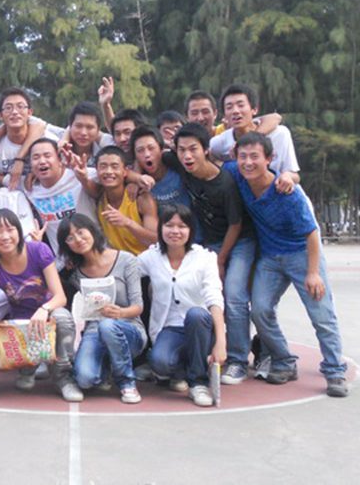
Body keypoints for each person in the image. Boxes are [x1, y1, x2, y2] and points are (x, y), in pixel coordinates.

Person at [226, 132, 349, 397]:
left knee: (321, 315)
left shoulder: (287, 192)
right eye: (243, 156)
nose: (248, 162)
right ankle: (283, 359)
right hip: (270, 258)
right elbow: (206, 165)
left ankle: (335, 370)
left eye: (255, 156)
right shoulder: (237, 175)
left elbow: (312, 233)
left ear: (269, 159)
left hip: (302, 255)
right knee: (260, 310)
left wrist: (313, 272)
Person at [172, 123, 256, 385]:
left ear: (206, 150)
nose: (187, 155)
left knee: (233, 294)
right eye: (182, 150)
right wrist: (137, 179)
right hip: (208, 242)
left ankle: (238, 360)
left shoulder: (225, 182)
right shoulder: (180, 166)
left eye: (193, 149)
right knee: (200, 294)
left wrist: (219, 260)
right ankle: (205, 349)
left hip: (239, 240)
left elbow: (236, 224)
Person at [0, 209, 83, 402]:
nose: (5, 236)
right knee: (25, 380)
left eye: (10, 229)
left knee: (62, 317)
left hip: (48, 314)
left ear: (19, 231)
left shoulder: (38, 250)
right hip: (20, 326)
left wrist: (44, 309)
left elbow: (60, 297)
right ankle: (28, 369)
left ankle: (63, 378)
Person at [142, 204, 227, 407]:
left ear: (191, 230)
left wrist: (221, 342)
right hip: (169, 328)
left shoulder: (205, 258)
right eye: (169, 225)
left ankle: (198, 383)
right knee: (160, 363)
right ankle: (180, 372)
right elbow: (125, 268)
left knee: (196, 314)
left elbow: (214, 297)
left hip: (200, 327)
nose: (175, 231)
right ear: (161, 228)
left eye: (182, 226)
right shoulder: (151, 257)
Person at [58, 214, 146, 404]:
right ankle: (106, 368)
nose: (78, 240)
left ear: (92, 230)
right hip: (94, 330)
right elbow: (55, 285)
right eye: (70, 238)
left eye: (81, 232)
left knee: (108, 326)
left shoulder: (126, 260)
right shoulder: (75, 272)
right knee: (84, 379)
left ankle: (126, 382)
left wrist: (120, 313)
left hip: (128, 327)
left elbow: (138, 306)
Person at [210, 84, 297, 193]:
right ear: (224, 115)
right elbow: (210, 160)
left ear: (254, 110)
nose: (235, 111)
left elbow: (295, 175)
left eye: (241, 105)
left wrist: (287, 176)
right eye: (229, 107)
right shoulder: (219, 143)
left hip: (282, 195)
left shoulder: (280, 134)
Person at [22, 138, 98, 258]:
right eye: (36, 157)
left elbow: (111, 178)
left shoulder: (79, 173)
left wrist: (84, 179)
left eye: (47, 155)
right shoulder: (28, 187)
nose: (42, 161)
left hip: (95, 251)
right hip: (65, 261)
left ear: (59, 160)